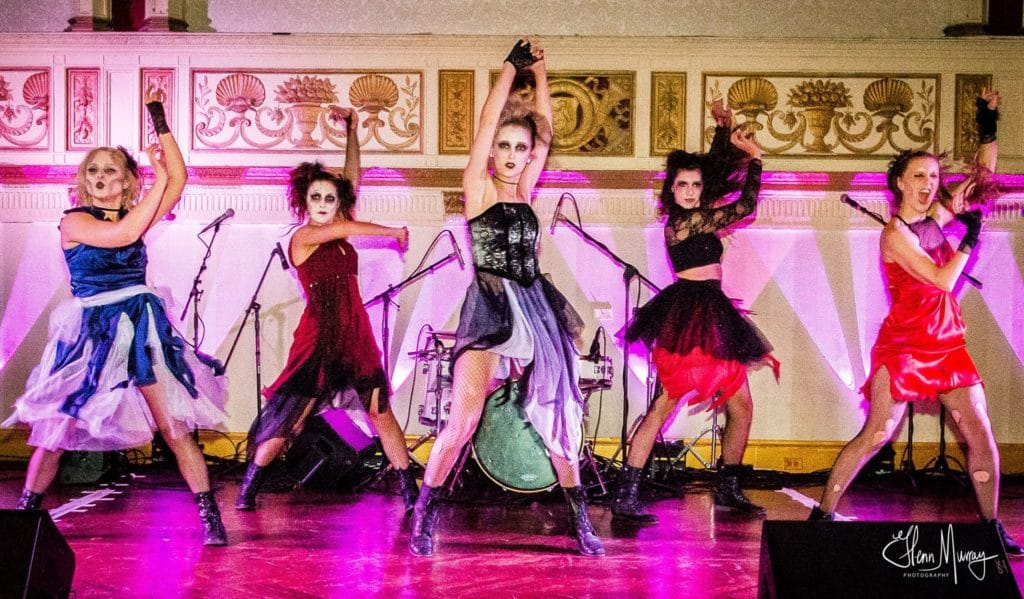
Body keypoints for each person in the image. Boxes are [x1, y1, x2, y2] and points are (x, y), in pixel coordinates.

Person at [4, 87, 230, 546]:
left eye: (111, 169)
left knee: (174, 428)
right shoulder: (75, 221)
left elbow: (179, 179)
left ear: (127, 181)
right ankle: (24, 516)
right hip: (92, 329)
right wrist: (155, 182)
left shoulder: (134, 214)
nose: (100, 176)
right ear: (84, 180)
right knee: (55, 431)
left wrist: (158, 119)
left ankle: (211, 518)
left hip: (140, 326)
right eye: (93, 169)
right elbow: (125, 233)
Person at [408, 39, 603, 557]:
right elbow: (485, 126)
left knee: (558, 411)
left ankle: (580, 518)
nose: (514, 155)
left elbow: (546, 133)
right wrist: (508, 72)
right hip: (492, 305)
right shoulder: (480, 188)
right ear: (492, 151)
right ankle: (425, 515)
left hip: (536, 306)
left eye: (521, 148)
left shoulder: (526, 190)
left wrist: (541, 74)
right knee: (463, 420)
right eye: (505, 147)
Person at [810, 89, 1021, 556]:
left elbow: (982, 178)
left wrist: (988, 122)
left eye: (934, 177)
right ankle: (820, 516)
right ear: (900, 184)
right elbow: (942, 280)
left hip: (947, 344)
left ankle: (991, 527)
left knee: (980, 431)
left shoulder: (934, 219)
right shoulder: (895, 235)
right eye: (920, 176)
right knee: (877, 433)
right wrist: (969, 241)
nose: (929, 184)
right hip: (905, 346)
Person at [235, 106, 417, 513]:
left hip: (355, 335)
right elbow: (345, 227)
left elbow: (352, 177)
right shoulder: (302, 238)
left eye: (329, 198)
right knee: (292, 416)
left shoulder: (339, 224)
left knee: (380, 412)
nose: (322, 202)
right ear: (305, 200)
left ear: (338, 202)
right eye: (315, 196)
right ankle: (249, 487)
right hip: (318, 338)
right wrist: (392, 231)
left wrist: (353, 129)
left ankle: (410, 492)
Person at [617, 99, 776, 523]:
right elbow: (745, 207)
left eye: (695, 185)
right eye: (682, 185)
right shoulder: (682, 223)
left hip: (713, 312)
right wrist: (756, 160)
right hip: (689, 315)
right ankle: (626, 493)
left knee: (741, 406)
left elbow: (717, 172)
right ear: (671, 190)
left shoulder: (699, 214)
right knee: (663, 405)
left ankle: (728, 488)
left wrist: (723, 130)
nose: (689, 191)